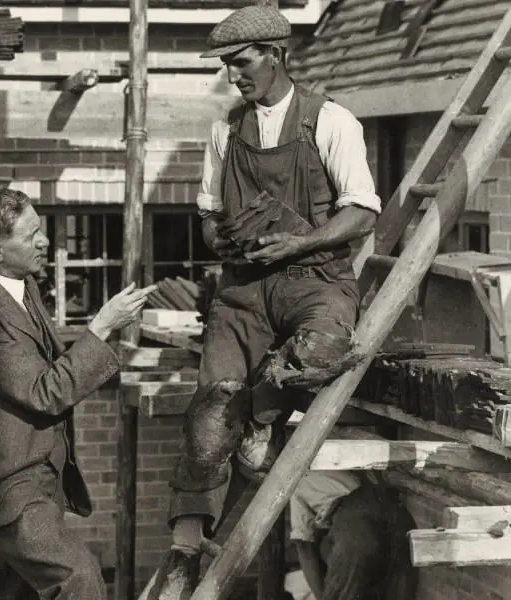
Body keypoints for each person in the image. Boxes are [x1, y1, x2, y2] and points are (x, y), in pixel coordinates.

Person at [149, 5, 383, 597]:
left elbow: (360, 211)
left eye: (242, 62)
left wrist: (302, 238)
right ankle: (184, 550)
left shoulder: (332, 122)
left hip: (315, 278)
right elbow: (205, 214)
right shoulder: (226, 129)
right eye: (227, 66)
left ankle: (259, 412)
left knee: (326, 346)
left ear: (278, 55)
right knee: (208, 420)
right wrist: (220, 236)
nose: (234, 76)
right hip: (244, 288)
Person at [0, 186, 156, 600]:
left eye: (41, 228)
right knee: (80, 578)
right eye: (31, 234)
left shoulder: (20, 282)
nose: (45, 241)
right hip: (4, 485)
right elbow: (45, 391)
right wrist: (101, 326)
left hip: (38, 473)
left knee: (5, 594)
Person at [290, 471, 418, 600]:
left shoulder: (295, 482)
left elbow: (304, 548)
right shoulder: (342, 456)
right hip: (396, 511)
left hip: (355, 520)